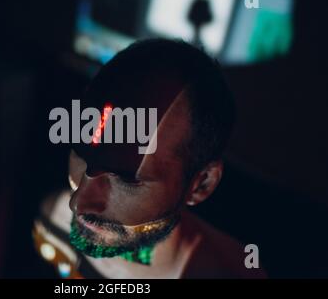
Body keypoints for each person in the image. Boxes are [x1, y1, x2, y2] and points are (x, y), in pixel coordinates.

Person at [33, 39, 266, 278]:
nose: (77, 203)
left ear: (201, 184)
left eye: (125, 179)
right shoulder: (54, 221)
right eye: (82, 154)